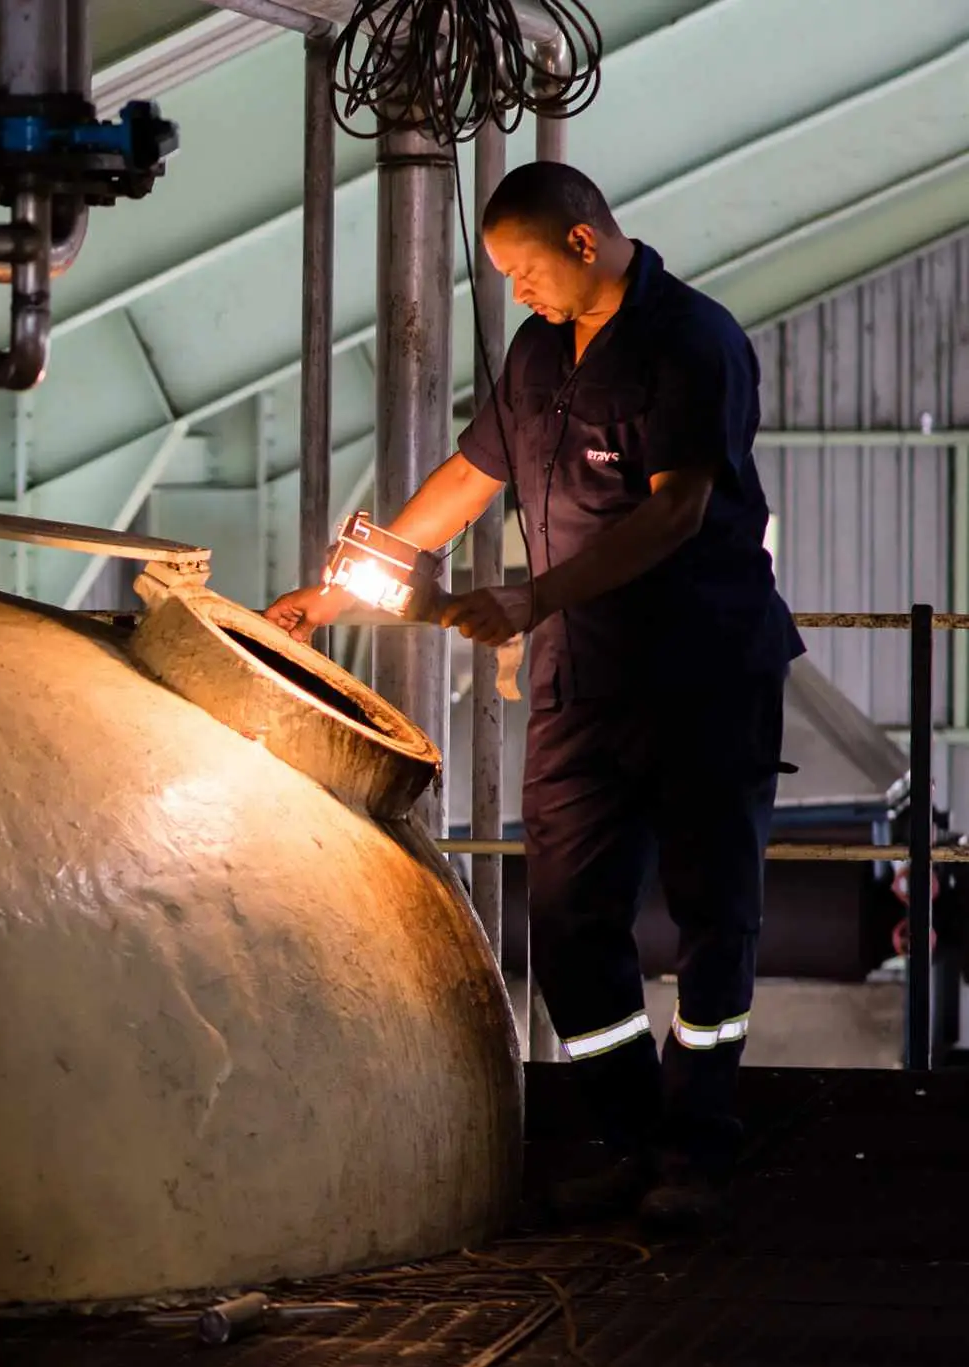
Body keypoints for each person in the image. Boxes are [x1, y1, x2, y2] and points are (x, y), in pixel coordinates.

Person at [265, 161, 803, 1234]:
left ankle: (699, 1146)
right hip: (581, 682)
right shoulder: (539, 354)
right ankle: (631, 1136)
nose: (518, 291)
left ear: (586, 243)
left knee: (714, 920)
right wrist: (339, 589)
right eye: (504, 274)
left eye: (525, 269)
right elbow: (471, 479)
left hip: (702, 674)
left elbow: (677, 512)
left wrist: (535, 595)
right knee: (564, 923)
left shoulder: (693, 343)